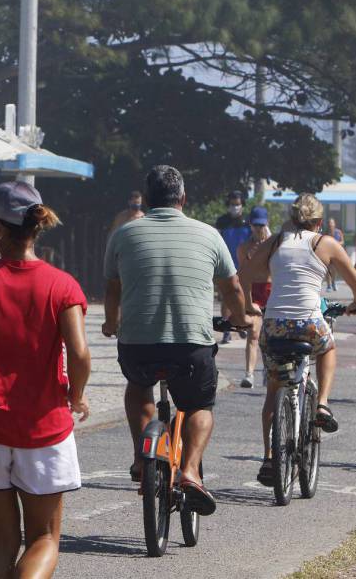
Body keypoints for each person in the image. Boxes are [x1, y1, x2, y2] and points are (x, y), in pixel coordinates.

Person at [0, 181, 91, 579]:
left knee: (1, 542)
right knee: (43, 538)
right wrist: (76, 396)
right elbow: (78, 354)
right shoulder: (63, 286)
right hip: (44, 427)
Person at [104, 165, 252, 516]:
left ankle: (143, 457)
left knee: (138, 387)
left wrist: (112, 323)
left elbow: (112, 288)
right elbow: (231, 287)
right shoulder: (208, 234)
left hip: (138, 345)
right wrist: (242, 318)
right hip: (190, 346)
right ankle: (189, 472)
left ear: (148, 200)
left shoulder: (124, 234)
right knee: (199, 405)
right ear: (183, 199)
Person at [238, 194, 356, 485]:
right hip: (309, 322)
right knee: (328, 347)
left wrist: (247, 305)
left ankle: (269, 457)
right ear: (319, 222)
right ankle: (321, 403)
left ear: (292, 218)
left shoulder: (277, 241)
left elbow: (243, 274)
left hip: (274, 325)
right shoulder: (325, 243)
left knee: (273, 390)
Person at [236, 206, 272, 388]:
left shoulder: (274, 245)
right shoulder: (244, 248)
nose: (258, 229)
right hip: (254, 292)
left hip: (271, 290)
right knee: (253, 332)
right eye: (255, 225)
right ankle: (249, 373)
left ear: (267, 224)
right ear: (250, 225)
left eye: (261, 225)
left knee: (271, 335)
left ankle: (268, 369)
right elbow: (242, 275)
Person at [215, 190, 252, 343]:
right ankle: (226, 330)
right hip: (225, 265)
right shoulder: (222, 222)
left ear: (242, 205)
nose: (234, 207)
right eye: (231, 204)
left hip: (243, 266)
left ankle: (240, 324)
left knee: (242, 298)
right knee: (226, 298)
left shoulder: (248, 222)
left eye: (237, 204)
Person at [324, 218, 345, 291]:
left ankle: (333, 282)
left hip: (336, 253)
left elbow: (342, 241)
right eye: (329, 223)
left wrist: (336, 243)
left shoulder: (338, 232)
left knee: (334, 270)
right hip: (327, 253)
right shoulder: (326, 233)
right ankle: (329, 285)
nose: (330, 225)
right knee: (328, 269)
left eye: (331, 223)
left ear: (334, 224)